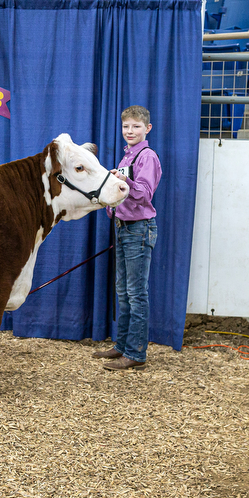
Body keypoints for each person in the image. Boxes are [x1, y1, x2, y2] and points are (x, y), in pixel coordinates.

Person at [92, 105, 162, 371]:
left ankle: (135, 353)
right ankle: (122, 346)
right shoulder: (125, 158)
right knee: (123, 291)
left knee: (136, 293)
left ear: (147, 129)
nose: (130, 131)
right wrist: (112, 206)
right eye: (126, 127)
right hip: (123, 228)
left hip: (138, 229)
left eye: (135, 126)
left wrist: (123, 180)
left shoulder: (147, 157)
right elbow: (122, 193)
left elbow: (144, 194)